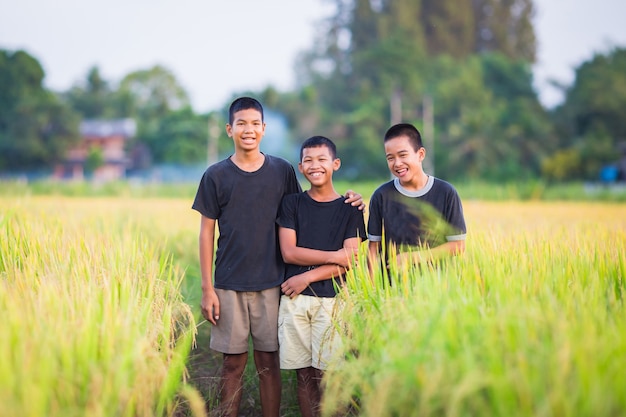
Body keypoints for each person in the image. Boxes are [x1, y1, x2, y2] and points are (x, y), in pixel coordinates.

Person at [191, 97, 363, 417]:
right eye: (241, 123)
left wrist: (348, 200)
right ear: (230, 129)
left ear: (264, 129)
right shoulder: (215, 175)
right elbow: (205, 233)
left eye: (255, 123)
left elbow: (309, 208)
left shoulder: (282, 170)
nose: (248, 130)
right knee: (232, 363)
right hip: (228, 282)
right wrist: (207, 288)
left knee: (269, 361)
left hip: (273, 282)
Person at [277, 136, 366, 417]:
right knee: (303, 374)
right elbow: (289, 253)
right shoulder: (291, 204)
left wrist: (307, 278)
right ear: (301, 167)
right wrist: (333, 256)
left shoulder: (350, 208)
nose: (315, 166)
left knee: (328, 375)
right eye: (308, 161)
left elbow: (350, 260)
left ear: (335, 164)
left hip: (332, 301)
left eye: (322, 159)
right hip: (295, 302)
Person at [367, 122, 466, 273]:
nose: (397, 163)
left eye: (403, 155)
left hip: (436, 288)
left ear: (420, 154)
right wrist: (373, 292)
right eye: (390, 158)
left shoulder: (446, 192)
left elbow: (458, 245)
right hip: (391, 290)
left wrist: (413, 257)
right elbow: (373, 249)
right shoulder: (381, 196)